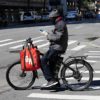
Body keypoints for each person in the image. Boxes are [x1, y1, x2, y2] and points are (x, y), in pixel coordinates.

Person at [41, 9, 68, 88]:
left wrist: (47, 35)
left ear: (55, 18)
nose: (50, 20)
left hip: (58, 47)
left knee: (43, 60)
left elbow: (58, 37)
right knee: (52, 65)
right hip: (56, 46)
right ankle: (55, 82)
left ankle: (51, 80)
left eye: (51, 18)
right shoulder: (58, 23)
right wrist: (48, 33)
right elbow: (56, 34)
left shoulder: (60, 24)